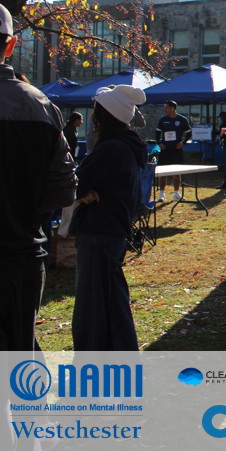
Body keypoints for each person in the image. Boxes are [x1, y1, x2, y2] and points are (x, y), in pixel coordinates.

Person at [0, 3, 77, 350]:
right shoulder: (40, 105)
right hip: (22, 255)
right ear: (11, 45)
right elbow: (64, 188)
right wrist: (23, 206)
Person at [69, 85, 147, 350]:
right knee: (112, 300)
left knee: (91, 306)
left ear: (106, 117)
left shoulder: (111, 149)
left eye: (97, 113)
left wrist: (80, 191)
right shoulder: (126, 147)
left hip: (97, 232)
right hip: (112, 232)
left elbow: (74, 182)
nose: (93, 119)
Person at [155, 100, 191, 202]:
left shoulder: (182, 119)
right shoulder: (163, 120)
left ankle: (176, 193)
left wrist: (183, 143)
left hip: (176, 150)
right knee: (163, 171)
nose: (164, 109)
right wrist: (160, 143)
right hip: (165, 150)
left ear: (172, 108)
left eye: (166, 107)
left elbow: (189, 133)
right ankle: (161, 194)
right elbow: (157, 133)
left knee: (176, 171)